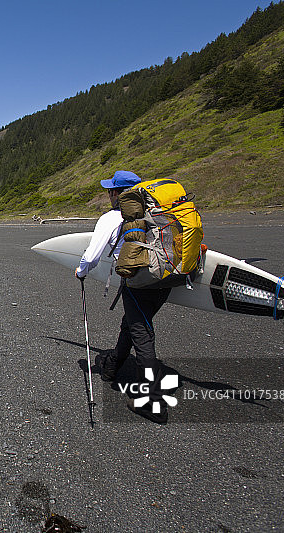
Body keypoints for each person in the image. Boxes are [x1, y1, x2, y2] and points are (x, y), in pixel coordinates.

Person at [74, 170, 171, 424]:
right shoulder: (158, 211)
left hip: (139, 282)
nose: (109, 195)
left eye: (110, 191)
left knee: (142, 333)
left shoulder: (112, 217)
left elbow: (92, 256)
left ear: (118, 194)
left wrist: (81, 271)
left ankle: (152, 402)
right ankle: (112, 367)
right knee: (133, 322)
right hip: (167, 277)